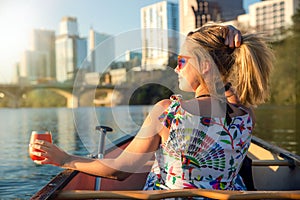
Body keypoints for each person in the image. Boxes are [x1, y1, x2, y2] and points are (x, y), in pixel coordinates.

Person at [31, 24, 273, 192]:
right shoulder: (245, 116)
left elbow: (121, 171)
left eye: (181, 61)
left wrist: (64, 158)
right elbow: (228, 93)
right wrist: (227, 36)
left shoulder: (169, 113)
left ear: (204, 65)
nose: (176, 68)